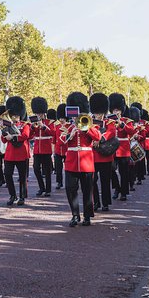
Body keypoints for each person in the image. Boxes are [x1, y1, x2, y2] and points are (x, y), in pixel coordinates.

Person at [61, 92, 101, 226]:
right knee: (70, 189)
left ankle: (87, 216)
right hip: (71, 162)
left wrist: (85, 128)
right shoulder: (67, 127)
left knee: (87, 190)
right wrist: (70, 135)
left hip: (86, 163)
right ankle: (75, 215)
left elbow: (97, 137)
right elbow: (61, 142)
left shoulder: (90, 124)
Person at [1, 96, 31, 206]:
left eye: (16, 115)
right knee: (7, 174)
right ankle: (12, 195)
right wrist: (3, 132)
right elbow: (3, 140)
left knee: (22, 177)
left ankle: (22, 196)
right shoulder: (7, 124)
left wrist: (12, 137)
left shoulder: (25, 125)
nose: (15, 117)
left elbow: (25, 135)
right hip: (10, 154)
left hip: (21, 153)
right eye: (13, 115)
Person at [90, 92, 116, 212]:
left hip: (105, 156)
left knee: (105, 181)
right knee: (92, 180)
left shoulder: (109, 121)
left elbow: (111, 132)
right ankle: (96, 202)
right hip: (93, 156)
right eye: (96, 112)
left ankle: (105, 203)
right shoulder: (90, 121)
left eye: (100, 112)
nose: (98, 115)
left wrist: (100, 139)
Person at [108, 93, 136, 201]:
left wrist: (122, 125)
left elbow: (132, 131)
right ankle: (117, 188)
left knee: (123, 172)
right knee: (111, 170)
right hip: (112, 149)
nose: (116, 112)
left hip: (123, 149)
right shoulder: (109, 121)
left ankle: (123, 192)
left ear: (121, 110)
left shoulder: (126, 121)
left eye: (117, 110)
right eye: (114, 110)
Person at [30, 97, 55, 197]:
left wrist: (43, 126)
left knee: (47, 171)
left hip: (46, 148)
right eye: (37, 113)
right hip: (37, 149)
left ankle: (48, 189)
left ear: (44, 112)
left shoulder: (50, 122)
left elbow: (53, 133)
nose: (38, 115)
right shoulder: (34, 122)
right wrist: (32, 127)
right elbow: (30, 135)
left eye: (40, 113)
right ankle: (41, 187)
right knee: (36, 168)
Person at [53, 104, 68, 190]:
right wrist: (53, 151)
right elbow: (54, 139)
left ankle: (67, 182)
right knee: (58, 168)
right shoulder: (57, 126)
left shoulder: (69, 126)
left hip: (66, 150)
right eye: (60, 118)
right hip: (58, 150)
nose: (61, 120)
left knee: (67, 168)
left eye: (63, 118)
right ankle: (59, 182)